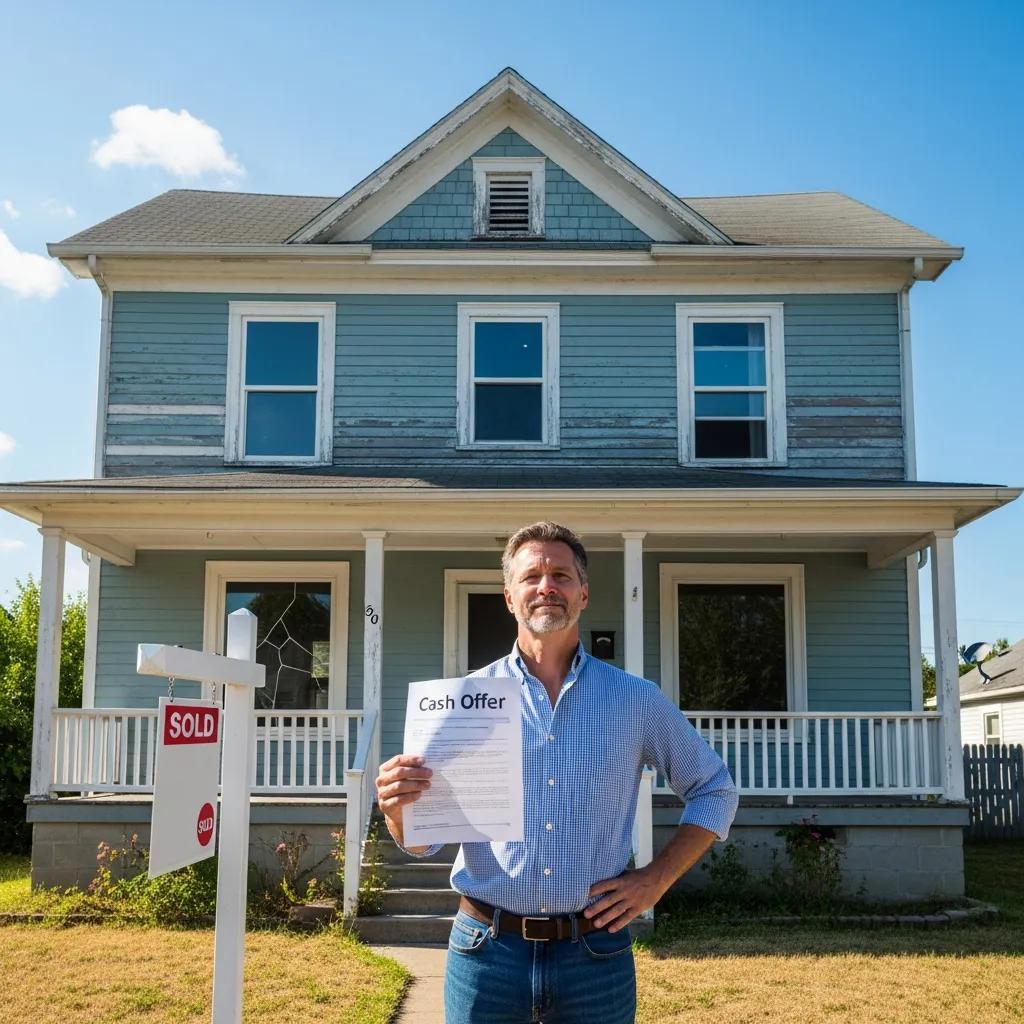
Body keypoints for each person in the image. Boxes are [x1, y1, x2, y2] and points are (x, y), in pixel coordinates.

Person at [375, 521, 738, 1024]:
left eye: (561, 575)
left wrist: (656, 879)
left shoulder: (635, 700)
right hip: (486, 953)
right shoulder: (460, 705)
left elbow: (714, 788)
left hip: (594, 955)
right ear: (508, 596)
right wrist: (398, 813)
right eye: (532, 577)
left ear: (584, 593)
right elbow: (422, 844)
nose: (547, 586)